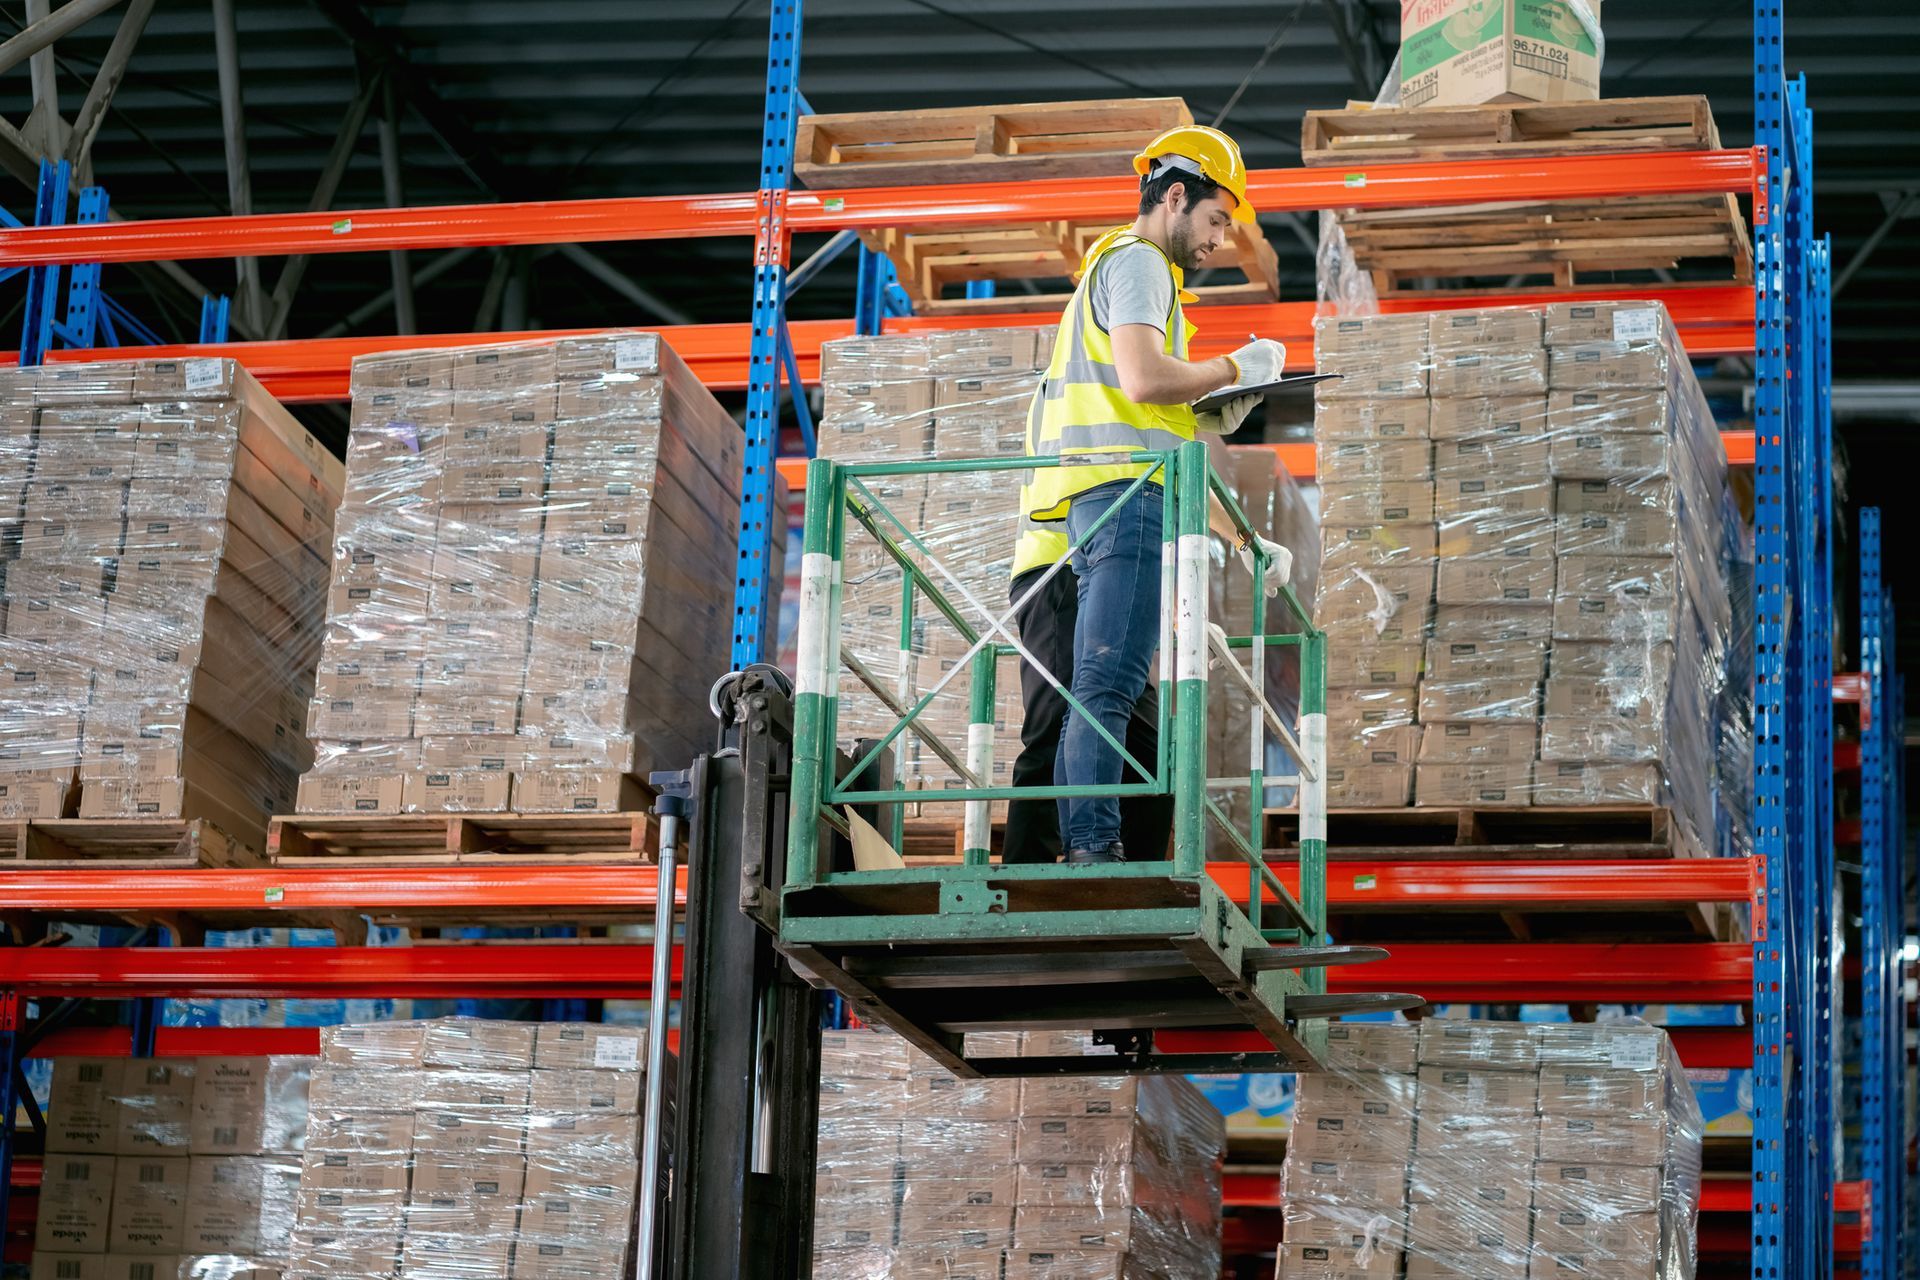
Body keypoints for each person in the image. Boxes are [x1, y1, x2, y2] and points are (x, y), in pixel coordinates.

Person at [1020, 124, 1293, 866]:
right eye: (1215, 221)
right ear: (1175, 196)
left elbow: (1161, 434)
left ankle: (1109, 852)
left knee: (1127, 708)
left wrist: (1243, 537)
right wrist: (1232, 368)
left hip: (1121, 497)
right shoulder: (1140, 263)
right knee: (1105, 686)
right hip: (1120, 503)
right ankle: (1093, 852)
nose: (1218, 243)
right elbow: (1145, 381)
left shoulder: (1137, 278)